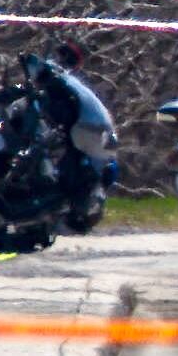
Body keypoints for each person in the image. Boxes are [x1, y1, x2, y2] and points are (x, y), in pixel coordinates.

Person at [45, 43, 120, 228]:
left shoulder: (73, 84)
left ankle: (69, 208)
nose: (61, 60)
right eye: (60, 56)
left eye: (65, 57)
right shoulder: (56, 80)